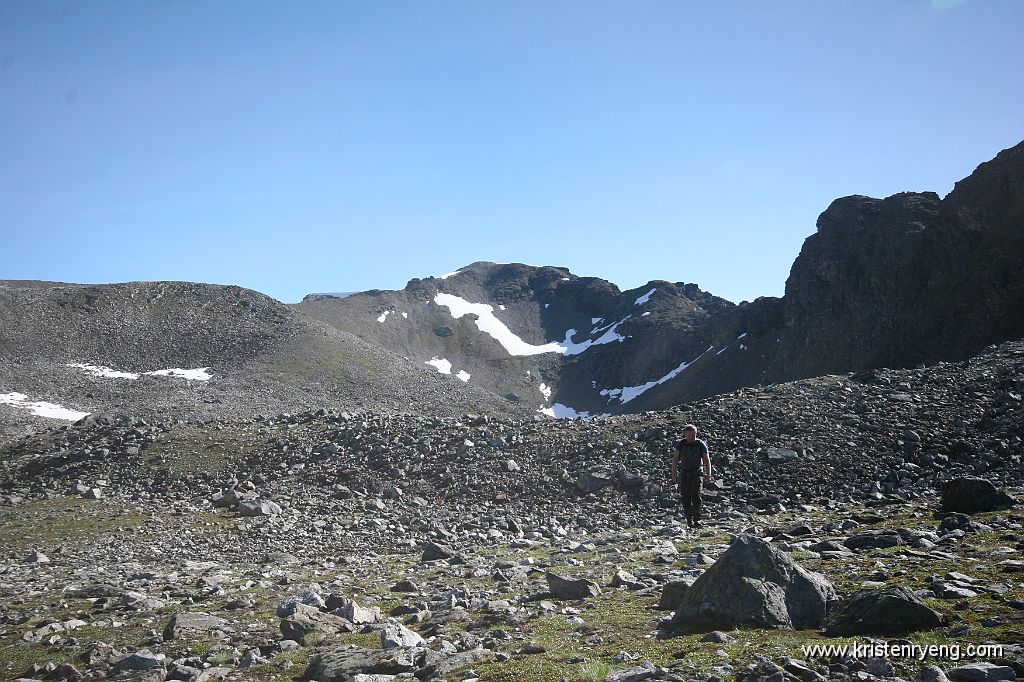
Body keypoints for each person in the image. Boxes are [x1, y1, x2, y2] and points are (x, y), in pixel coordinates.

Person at [671, 424, 712, 528]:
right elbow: (675, 459)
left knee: (696, 496)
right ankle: (689, 519)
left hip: (697, 473)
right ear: (685, 434)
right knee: (685, 497)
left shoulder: (700, 444)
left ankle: (697, 519)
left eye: (693, 435)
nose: (690, 437)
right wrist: (674, 475)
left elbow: (706, 460)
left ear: (696, 434)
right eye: (688, 435)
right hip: (684, 473)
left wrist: (708, 474)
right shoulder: (681, 444)